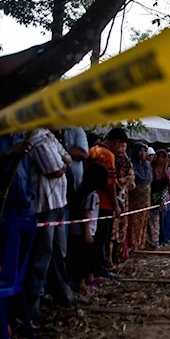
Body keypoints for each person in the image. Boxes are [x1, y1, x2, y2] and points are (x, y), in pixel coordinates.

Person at [24, 128, 85, 314]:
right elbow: (54, 170)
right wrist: (63, 162)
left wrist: (63, 162)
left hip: (59, 202)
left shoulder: (50, 136)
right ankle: (32, 305)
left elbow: (66, 157)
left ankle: (61, 292)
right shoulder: (36, 138)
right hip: (45, 205)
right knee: (42, 255)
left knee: (58, 251)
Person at [87, 128, 126, 278]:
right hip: (103, 203)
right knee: (101, 239)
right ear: (116, 142)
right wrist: (115, 205)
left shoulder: (92, 150)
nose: (121, 149)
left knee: (94, 238)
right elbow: (110, 183)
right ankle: (99, 269)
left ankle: (93, 270)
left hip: (90, 200)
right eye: (121, 145)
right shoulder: (107, 155)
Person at [67, 163, 108, 294]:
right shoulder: (91, 195)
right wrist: (87, 234)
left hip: (88, 231)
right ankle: (81, 284)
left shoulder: (84, 190)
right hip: (83, 232)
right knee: (83, 259)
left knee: (90, 257)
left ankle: (90, 278)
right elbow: (86, 214)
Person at [109, 143, 135, 266]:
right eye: (120, 145)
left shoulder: (126, 162)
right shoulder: (110, 160)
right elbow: (113, 180)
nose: (122, 149)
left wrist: (124, 182)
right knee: (112, 231)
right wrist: (121, 183)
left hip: (124, 199)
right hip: (112, 197)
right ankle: (109, 260)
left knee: (122, 227)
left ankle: (119, 256)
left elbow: (131, 177)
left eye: (125, 146)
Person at [128, 142, 152, 251]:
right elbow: (138, 177)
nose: (143, 153)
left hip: (145, 197)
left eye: (144, 151)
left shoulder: (147, 164)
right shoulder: (131, 163)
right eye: (140, 150)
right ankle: (133, 245)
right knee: (134, 221)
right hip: (135, 198)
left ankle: (141, 243)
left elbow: (148, 178)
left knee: (144, 220)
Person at [149, 149, 170, 248]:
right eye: (158, 156)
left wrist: (162, 198)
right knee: (152, 219)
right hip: (150, 196)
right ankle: (152, 241)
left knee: (162, 218)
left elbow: (166, 185)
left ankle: (161, 238)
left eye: (162, 156)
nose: (160, 159)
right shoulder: (151, 168)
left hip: (161, 197)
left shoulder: (165, 170)